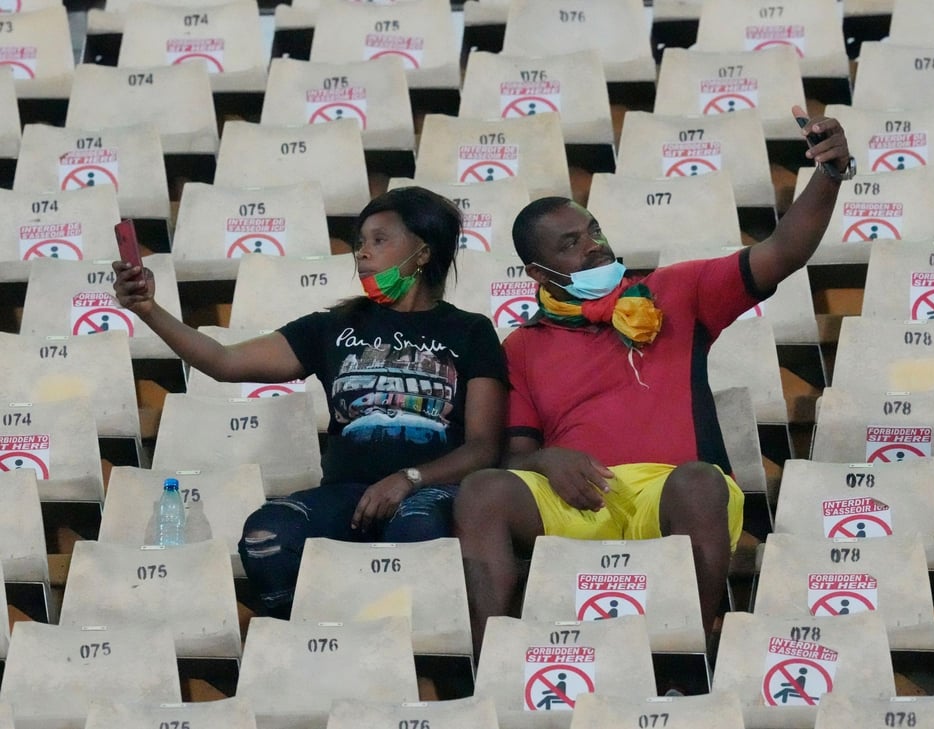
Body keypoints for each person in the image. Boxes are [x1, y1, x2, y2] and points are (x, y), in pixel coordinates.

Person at [454, 107, 853, 654]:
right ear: (538, 275)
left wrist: (828, 174)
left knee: (700, 483)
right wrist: (549, 460)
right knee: (482, 492)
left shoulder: (676, 291)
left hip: (665, 493)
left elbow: (783, 251)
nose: (592, 245)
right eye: (569, 244)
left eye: (592, 230)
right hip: (578, 499)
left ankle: (689, 655)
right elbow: (515, 455)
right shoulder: (522, 345)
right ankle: (494, 661)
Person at [112, 187, 508, 617]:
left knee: (418, 531)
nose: (362, 253)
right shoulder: (331, 327)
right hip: (346, 496)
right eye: (360, 242)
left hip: (429, 492)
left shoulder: (470, 332)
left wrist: (408, 478)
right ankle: (306, 641)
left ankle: (399, 661)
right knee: (268, 535)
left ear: (423, 252)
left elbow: (483, 447)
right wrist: (149, 310)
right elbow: (224, 362)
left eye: (380, 240)